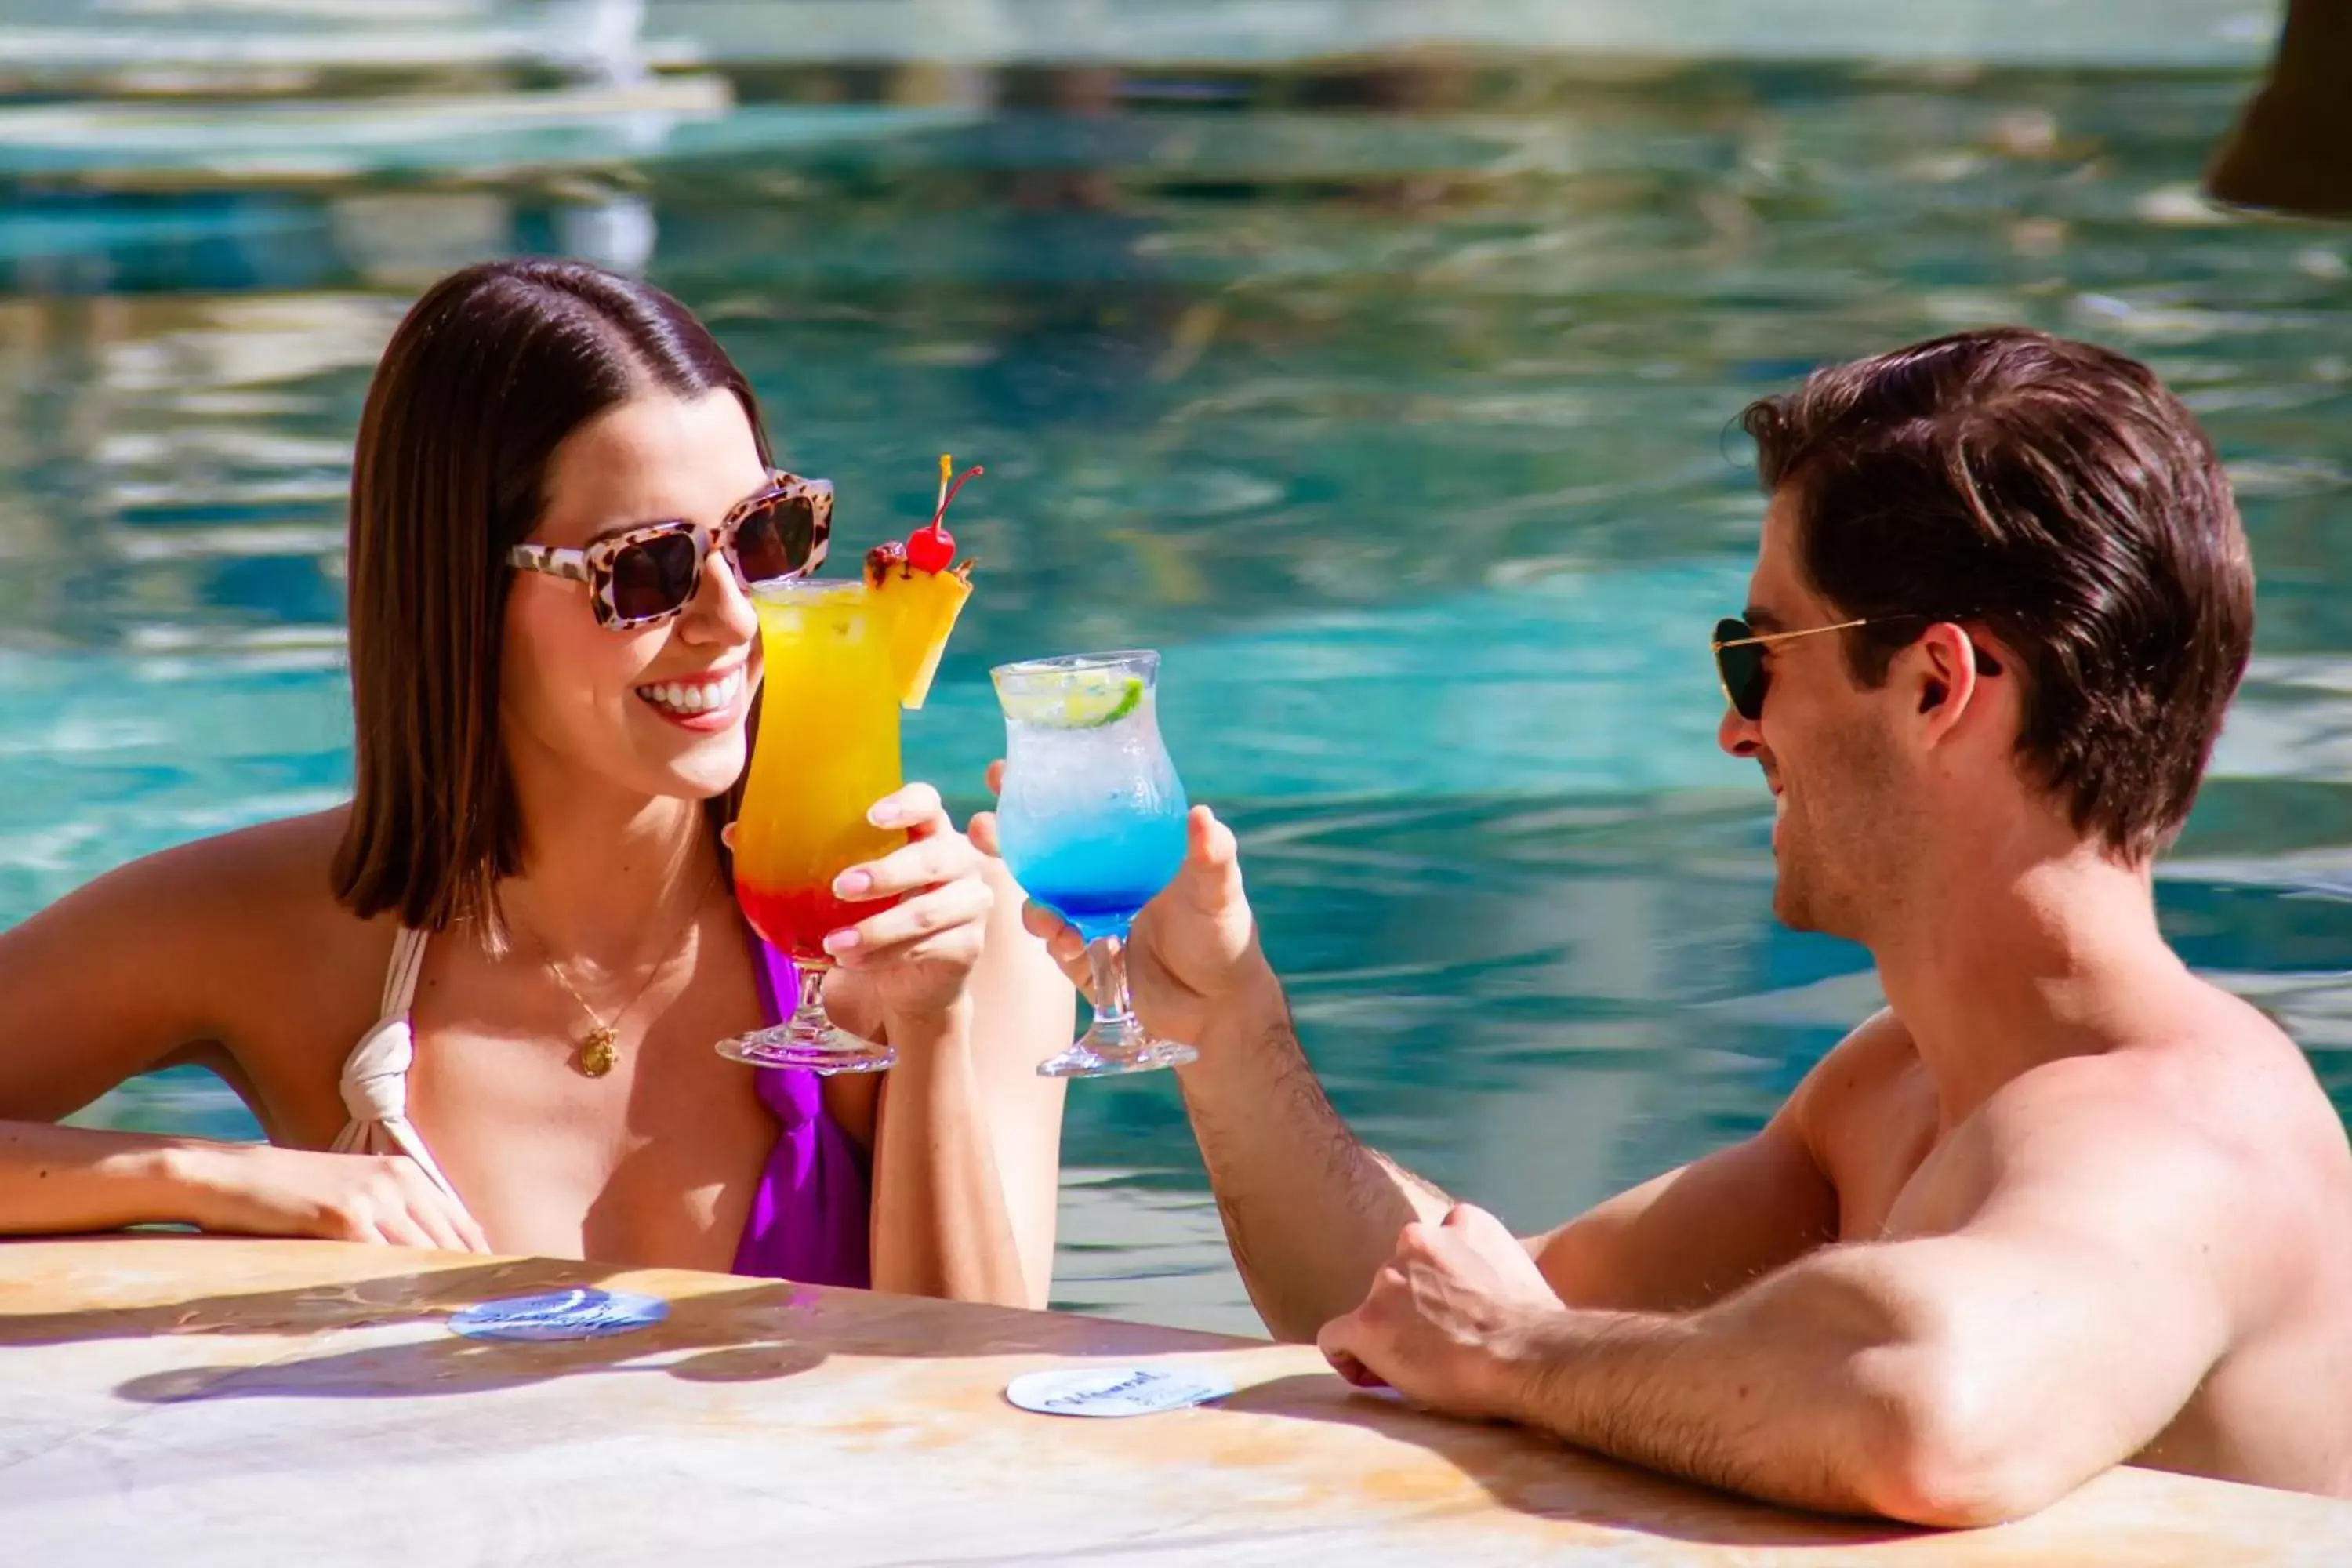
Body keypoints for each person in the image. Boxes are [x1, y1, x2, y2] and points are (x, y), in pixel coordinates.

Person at [997, 328, 2352, 1522]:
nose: (1734, 726)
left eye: (1756, 657)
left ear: (1940, 686)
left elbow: (1922, 1411)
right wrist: (1231, 1032)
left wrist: (1523, 1360)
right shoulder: (1889, 1090)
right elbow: (1416, 1310)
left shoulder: (2188, 1135)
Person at [0, 259, 1072, 1308]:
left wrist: (931, 1030)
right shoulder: (274, 930)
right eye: (645, 569)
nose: (733, 620)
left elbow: (986, 1403)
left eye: (764, 537)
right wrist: (206, 1177)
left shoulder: (951, 935)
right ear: (465, 588)